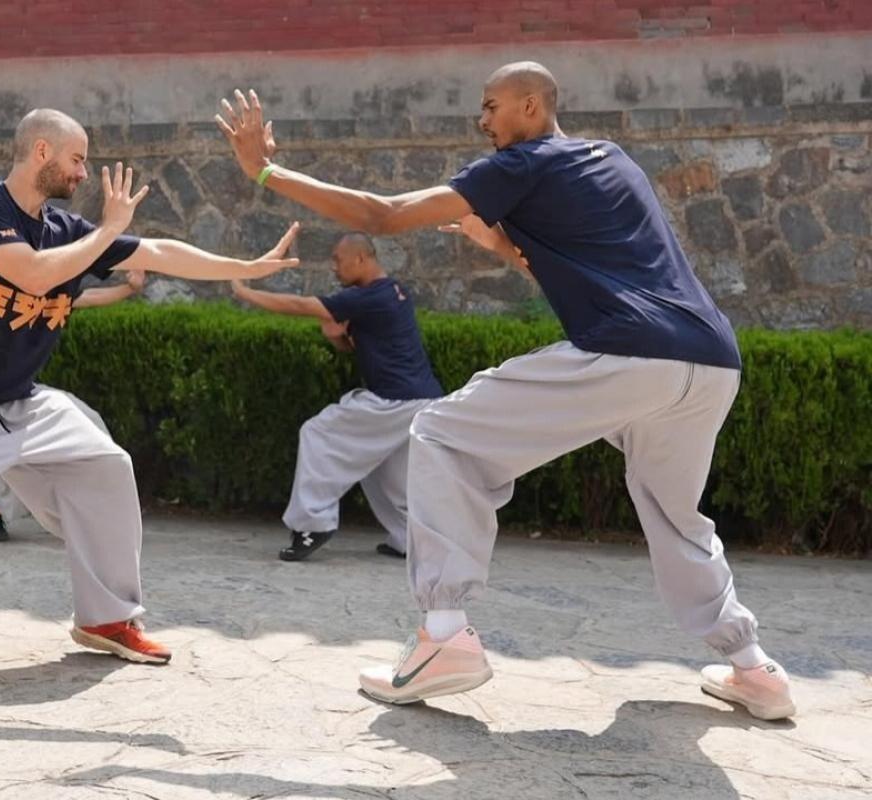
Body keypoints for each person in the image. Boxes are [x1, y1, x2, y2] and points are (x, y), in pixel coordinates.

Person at [216, 62, 795, 720]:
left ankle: (443, 636)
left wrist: (264, 170)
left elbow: (383, 214)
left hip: (630, 353)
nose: (483, 121)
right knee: (675, 515)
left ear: (529, 104)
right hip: (711, 360)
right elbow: (564, 266)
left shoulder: (519, 166)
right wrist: (496, 239)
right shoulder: (612, 160)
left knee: (439, 431)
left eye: (491, 106)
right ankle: (754, 669)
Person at [0, 108, 298, 672]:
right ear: (42, 151)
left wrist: (246, 267)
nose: (84, 173)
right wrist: (108, 230)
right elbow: (33, 275)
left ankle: (107, 617)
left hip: (19, 403)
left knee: (105, 467)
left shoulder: (67, 232)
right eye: (78, 159)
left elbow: (156, 252)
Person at [231, 232, 444, 561]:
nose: (334, 267)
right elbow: (356, 345)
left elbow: (301, 306)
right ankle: (410, 539)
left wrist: (246, 291)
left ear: (361, 258)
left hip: (395, 400)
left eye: (338, 259)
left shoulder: (370, 297)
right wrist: (337, 339)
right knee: (383, 471)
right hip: (421, 400)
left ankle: (313, 525)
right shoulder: (394, 293)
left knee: (317, 433)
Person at [0, 271, 142, 543]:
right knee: (16, 439)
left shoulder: (50, 295)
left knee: (89, 421)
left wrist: (129, 289)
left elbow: (87, 298)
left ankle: (87, 510)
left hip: (18, 391)